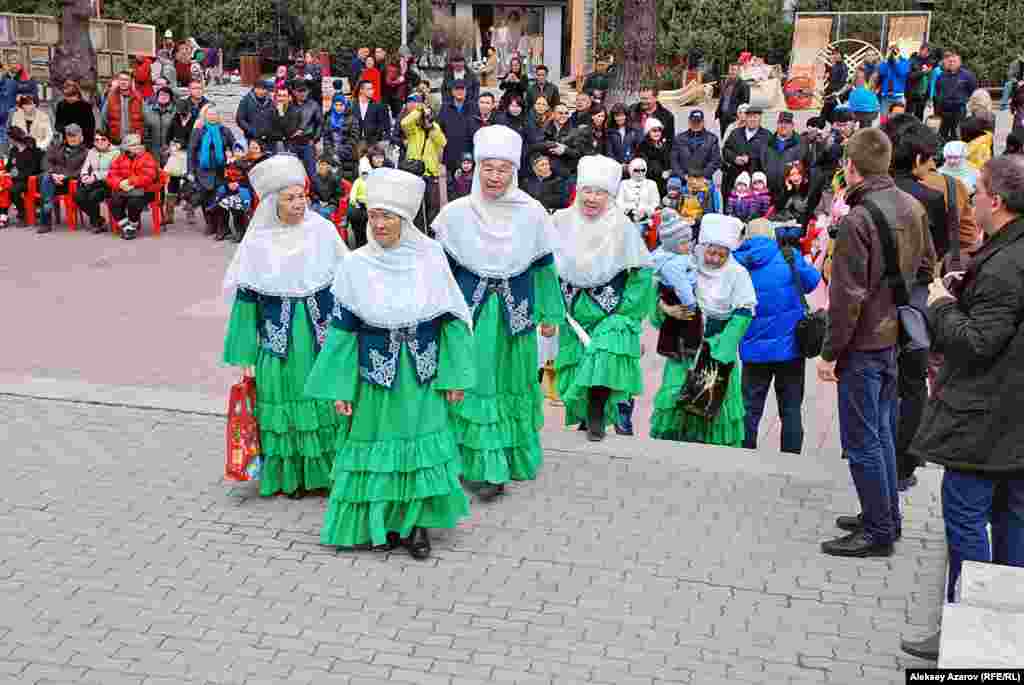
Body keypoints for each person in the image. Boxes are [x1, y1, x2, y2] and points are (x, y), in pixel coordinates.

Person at [304, 167, 474, 559]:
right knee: (376, 447)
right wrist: (340, 388)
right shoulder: (355, 265)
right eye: (375, 215)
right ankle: (379, 522)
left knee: (418, 447)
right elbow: (343, 333)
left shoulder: (431, 259)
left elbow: (452, 321)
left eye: (389, 217)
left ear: (406, 220)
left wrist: (454, 375)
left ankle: (415, 526)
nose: (380, 224)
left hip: (421, 374)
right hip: (373, 376)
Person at [900, 155, 1024, 662]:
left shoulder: (1007, 263)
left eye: (977, 194)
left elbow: (976, 342)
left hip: (985, 419)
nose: (972, 201)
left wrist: (941, 303)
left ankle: (968, 628)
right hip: (1011, 416)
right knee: (1013, 520)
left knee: (967, 519)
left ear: (995, 200)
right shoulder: (1006, 252)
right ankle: (1002, 635)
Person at [818, 128, 934, 558]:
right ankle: (885, 516)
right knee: (883, 431)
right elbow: (927, 267)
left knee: (864, 438)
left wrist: (830, 353)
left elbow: (846, 297)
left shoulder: (858, 219)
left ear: (851, 167)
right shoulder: (913, 205)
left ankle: (879, 530)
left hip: (864, 342)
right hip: (894, 337)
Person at [432, 125, 564, 500]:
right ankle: (479, 466)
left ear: (514, 171)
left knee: (510, 382)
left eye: (503, 169)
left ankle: (505, 456)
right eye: (488, 167)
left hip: (515, 318)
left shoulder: (532, 213)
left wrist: (551, 313)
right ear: (476, 169)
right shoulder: (456, 215)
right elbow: (440, 271)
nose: (494, 177)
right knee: (474, 383)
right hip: (470, 318)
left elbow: (543, 266)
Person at [221, 154, 345, 498]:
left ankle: (324, 472)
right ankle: (290, 475)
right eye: (289, 198)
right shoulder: (258, 242)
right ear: (272, 202)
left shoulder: (322, 230)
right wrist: (244, 355)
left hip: (319, 333)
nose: (298, 203)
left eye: (301, 196)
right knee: (282, 398)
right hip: (277, 339)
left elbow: (345, 278)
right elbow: (246, 303)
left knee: (320, 399)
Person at [551, 154, 653, 442]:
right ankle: (586, 416)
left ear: (609, 196)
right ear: (578, 191)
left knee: (605, 357)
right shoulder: (560, 221)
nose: (592, 198)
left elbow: (642, 272)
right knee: (577, 368)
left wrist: (627, 310)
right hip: (572, 308)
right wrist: (548, 306)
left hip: (611, 307)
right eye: (587, 191)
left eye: (600, 192)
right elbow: (545, 265)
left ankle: (596, 412)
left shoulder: (622, 226)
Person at [649, 214, 756, 446]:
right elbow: (658, 293)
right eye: (711, 252)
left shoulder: (737, 274)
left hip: (715, 350)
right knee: (674, 394)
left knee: (710, 400)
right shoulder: (684, 264)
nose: (715, 259)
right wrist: (667, 310)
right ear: (702, 247)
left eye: (722, 254)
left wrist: (722, 348)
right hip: (683, 348)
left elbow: (744, 313)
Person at [734, 218, 820, 454]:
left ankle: (744, 453)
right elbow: (812, 282)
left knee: (749, 409)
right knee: (791, 409)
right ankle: (790, 459)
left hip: (753, 350)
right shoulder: (788, 255)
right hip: (790, 348)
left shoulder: (738, 262)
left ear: (747, 238)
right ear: (772, 236)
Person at [189, 105, 238, 234]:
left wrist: (230, 152)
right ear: (205, 116)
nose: (212, 117)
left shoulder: (225, 131)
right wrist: (190, 170)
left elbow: (235, 147)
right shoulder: (199, 131)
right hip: (203, 170)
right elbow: (191, 152)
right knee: (206, 198)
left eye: (215, 114)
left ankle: (223, 226)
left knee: (221, 198)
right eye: (209, 114)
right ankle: (210, 224)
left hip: (221, 170)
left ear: (218, 116)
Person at [105, 134, 161, 240]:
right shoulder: (120, 158)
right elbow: (111, 175)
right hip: (125, 189)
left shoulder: (147, 157)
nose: (137, 146)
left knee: (134, 202)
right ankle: (127, 227)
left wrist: (130, 182)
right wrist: (120, 183)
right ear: (126, 147)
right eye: (133, 145)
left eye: (138, 144)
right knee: (113, 202)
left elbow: (149, 176)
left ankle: (133, 224)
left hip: (145, 190)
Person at [400, 102, 447, 229]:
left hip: (430, 173)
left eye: (430, 114)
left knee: (433, 206)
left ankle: (432, 232)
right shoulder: (413, 129)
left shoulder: (435, 128)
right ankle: (417, 231)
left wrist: (431, 127)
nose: (427, 117)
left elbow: (442, 142)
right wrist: (420, 111)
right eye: (425, 115)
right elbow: (404, 123)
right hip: (414, 171)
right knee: (416, 207)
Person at [37, 124, 88, 233]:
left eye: (75, 135)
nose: (72, 138)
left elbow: (83, 170)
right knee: (46, 178)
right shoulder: (57, 147)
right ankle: (47, 206)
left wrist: (65, 176)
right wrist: (53, 173)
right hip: (52, 181)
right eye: (69, 135)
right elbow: (45, 161)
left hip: (69, 184)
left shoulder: (86, 152)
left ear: (81, 136)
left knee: (45, 183)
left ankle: (45, 220)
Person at [721, 106, 770, 203]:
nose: (752, 119)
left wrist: (751, 158)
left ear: (760, 118)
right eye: (750, 116)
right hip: (735, 179)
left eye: (755, 117)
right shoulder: (735, 133)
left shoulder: (767, 136)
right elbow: (726, 150)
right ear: (745, 118)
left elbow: (769, 157)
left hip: (755, 181)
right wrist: (734, 158)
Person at [75, 130, 121, 233]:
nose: (99, 142)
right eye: (97, 140)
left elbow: (114, 171)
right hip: (92, 182)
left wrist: (96, 176)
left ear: (108, 141)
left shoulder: (116, 152)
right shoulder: (92, 152)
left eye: (103, 139)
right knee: (78, 196)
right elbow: (85, 167)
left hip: (108, 183)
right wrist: (84, 176)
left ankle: (95, 223)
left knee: (93, 196)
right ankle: (99, 220)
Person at [0, 126, 43, 226]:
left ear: (14, 139)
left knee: (13, 190)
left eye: (9, 138)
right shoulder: (13, 151)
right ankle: (3, 214)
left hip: (28, 180)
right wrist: (3, 172)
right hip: (15, 179)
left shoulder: (31, 151)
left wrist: (13, 175)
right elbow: (9, 166)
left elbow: (32, 171)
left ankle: (22, 214)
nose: (8, 140)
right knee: (4, 187)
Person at [437, 79, 479, 177]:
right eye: (457, 89)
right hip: (450, 153)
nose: (459, 92)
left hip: (467, 154)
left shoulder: (473, 107)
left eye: (462, 89)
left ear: (466, 91)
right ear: (452, 91)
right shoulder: (445, 108)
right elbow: (439, 129)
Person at [760, 111, 803, 205]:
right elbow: (762, 163)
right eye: (780, 123)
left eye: (787, 123)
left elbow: (804, 168)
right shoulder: (767, 142)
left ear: (792, 125)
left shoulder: (800, 143)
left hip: (790, 195)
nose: (783, 126)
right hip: (768, 193)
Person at [934, 51, 978, 142]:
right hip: (944, 110)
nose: (952, 63)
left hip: (959, 111)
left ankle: (956, 154)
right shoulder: (942, 76)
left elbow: (973, 91)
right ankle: (942, 153)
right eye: (950, 61)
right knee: (942, 135)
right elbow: (938, 90)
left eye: (954, 61)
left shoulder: (967, 75)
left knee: (957, 134)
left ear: (960, 63)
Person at [671, 110, 721, 189]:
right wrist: (684, 176)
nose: (696, 124)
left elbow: (715, 161)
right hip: (684, 181)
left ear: (703, 122)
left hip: (704, 181)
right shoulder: (679, 138)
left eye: (698, 121)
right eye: (693, 121)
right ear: (689, 122)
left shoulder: (712, 139)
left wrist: (702, 176)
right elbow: (674, 161)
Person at [206, 162, 252, 242]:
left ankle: (240, 232)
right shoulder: (226, 169)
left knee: (236, 208)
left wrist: (238, 185)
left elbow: (249, 183)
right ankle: (224, 229)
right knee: (221, 206)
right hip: (228, 194)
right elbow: (222, 181)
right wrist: (228, 185)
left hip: (242, 194)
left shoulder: (246, 168)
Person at [100, 71, 145, 146]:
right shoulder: (110, 98)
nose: (123, 82)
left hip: (134, 142)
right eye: (121, 79)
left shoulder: (138, 98)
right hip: (116, 141)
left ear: (130, 82)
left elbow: (146, 119)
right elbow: (103, 119)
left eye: (126, 80)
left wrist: (142, 136)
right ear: (118, 81)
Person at [349, 80, 390, 153]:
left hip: (372, 144)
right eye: (369, 89)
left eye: (372, 89)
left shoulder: (378, 106)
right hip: (355, 142)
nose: (372, 91)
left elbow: (383, 124)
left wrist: (379, 140)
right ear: (361, 90)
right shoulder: (351, 105)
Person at [617, 157, 660, 226]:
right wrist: (630, 212)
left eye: (643, 170)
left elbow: (655, 202)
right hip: (627, 219)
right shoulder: (623, 184)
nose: (640, 173)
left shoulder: (652, 184)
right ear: (630, 170)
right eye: (636, 170)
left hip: (647, 220)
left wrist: (645, 212)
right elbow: (619, 202)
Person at [54, 80, 95, 148]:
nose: (69, 99)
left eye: (72, 96)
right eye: (67, 96)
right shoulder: (61, 105)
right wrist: (66, 129)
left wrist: (79, 131)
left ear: (77, 94)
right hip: (67, 142)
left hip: (83, 143)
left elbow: (91, 127)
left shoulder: (85, 106)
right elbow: (57, 124)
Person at [715, 63, 750, 142]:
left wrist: (740, 117)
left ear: (739, 71)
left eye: (734, 70)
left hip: (734, 118)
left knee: (734, 140)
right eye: (730, 70)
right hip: (723, 117)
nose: (731, 72)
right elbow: (722, 99)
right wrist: (718, 113)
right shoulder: (726, 83)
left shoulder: (744, 85)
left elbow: (745, 104)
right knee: (724, 138)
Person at [142, 86, 176, 166]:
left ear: (170, 97)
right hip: (152, 151)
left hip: (169, 151)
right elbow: (145, 130)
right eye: (161, 94)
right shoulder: (148, 111)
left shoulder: (175, 112)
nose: (163, 97)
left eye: (166, 95)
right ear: (157, 96)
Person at [875, 44, 910, 117]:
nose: (893, 53)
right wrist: (885, 59)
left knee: (898, 119)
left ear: (899, 52)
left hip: (898, 95)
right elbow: (881, 72)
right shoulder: (886, 62)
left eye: (895, 51)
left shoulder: (904, 61)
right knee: (883, 118)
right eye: (891, 51)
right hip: (886, 95)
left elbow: (902, 72)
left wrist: (897, 60)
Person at [236, 80, 273, 146]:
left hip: (268, 138)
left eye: (263, 89)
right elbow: (240, 119)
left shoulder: (270, 101)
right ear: (254, 89)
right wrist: (251, 130)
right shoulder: (246, 101)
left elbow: (275, 117)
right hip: (252, 138)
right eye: (258, 89)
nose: (261, 92)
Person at [906, 43, 935, 121]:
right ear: (921, 50)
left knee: (919, 116)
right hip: (912, 93)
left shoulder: (929, 62)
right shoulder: (912, 61)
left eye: (929, 52)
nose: (927, 54)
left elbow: (930, 79)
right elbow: (909, 76)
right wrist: (923, 72)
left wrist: (929, 96)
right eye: (926, 52)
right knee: (908, 116)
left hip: (923, 95)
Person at [607, 103, 641, 168]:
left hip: (633, 165)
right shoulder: (610, 131)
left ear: (626, 115)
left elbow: (639, 149)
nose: (619, 118)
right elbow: (609, 152)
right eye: (616, 116)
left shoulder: (635, 129)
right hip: (615, 166)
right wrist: (618, 164)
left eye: (622, 115)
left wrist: (628, 161)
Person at [309, 156, 342, 221]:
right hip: (318, 203)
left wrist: (328, 202)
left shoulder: (335, 178)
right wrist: (319, 201)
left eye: (323, 165)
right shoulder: (314, 178)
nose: (321, 167)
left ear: (329, 167)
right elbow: (312, 193)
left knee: (323, 213)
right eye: (319, 165)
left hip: (331, 204)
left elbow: (338, 194)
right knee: (311, 213)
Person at [821, 49, 849, 124]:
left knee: (832, 113)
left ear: (841, 55)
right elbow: (832, 79)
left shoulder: (843, 67)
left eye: (837, 54)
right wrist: (827, 77)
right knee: (826, 113)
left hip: (836, 93)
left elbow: (843, 81)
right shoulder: (835, 65)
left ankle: (834, 127)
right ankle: (831, 126)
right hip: (830, 91)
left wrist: (837, 92)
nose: (835, 56)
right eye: (834, 54)